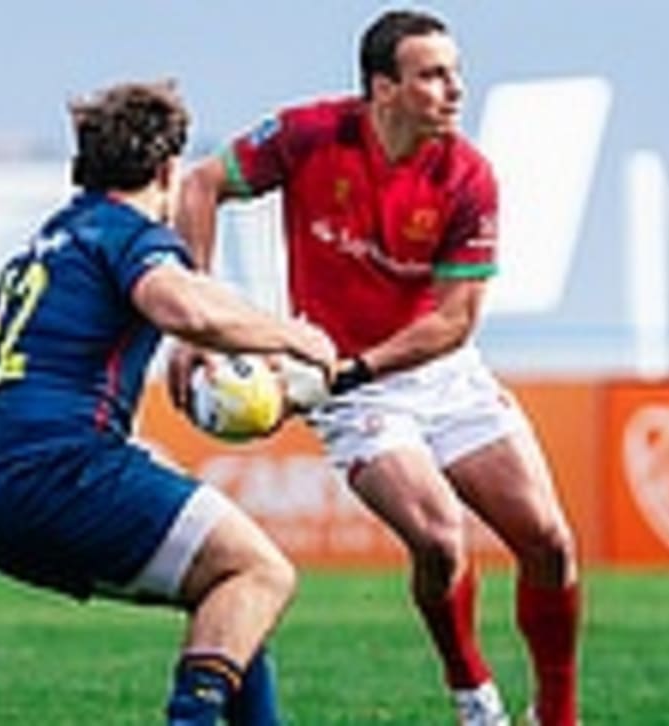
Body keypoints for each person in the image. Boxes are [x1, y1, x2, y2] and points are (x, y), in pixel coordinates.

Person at [170, 9, 580, 726]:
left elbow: (453, 322)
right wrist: (194, 324)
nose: (455, 90)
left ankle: (558, 712)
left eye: (455, 72)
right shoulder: (309, 135)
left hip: (433, 372)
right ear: (381, 88)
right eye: (432, 75)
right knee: (439, 537)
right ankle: (473, 694)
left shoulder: (468, 176)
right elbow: (200, 186)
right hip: (357, 397)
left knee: (548, 541)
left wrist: (347, 369)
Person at [0, 80, 336, 726]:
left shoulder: (48, 242)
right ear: (167, 169)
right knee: (261, 572)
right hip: (64, 473)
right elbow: (183, 304)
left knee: (231, 595)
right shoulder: (131, 234)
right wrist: (292, 335)